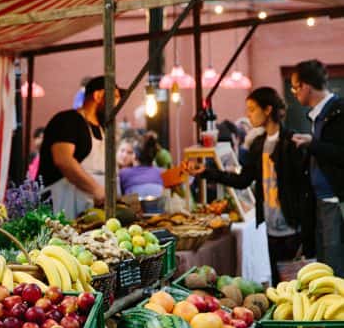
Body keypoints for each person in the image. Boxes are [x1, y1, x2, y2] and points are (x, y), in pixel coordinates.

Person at [188, 87, 311, 284]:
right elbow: (243, 180)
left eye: (252, 109)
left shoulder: (291, 141)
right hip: (269, 228)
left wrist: (305, 229)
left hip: (293, 229)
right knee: (279, 285)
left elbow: (304, 186)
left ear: (268, 110)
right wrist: (206, 172)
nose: (248, 114)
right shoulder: (257, 145)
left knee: (297, 284)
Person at [291, 60, 344, 274]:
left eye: (295, 87)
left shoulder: (339, 111)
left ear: (305, 86)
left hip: (335, 200)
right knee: (324, 263)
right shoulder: (317, 115)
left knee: (334, 265)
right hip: (319, 201)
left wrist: (312, 144)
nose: (294, 93)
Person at [38, 75, 116, 216]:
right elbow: (63, 160)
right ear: (98, 96)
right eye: (114, 96)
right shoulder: (68, 120)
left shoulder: (102, 129)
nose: (117, 102)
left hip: (91, 211)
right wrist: (97, 190)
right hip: (61, 209)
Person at [119, 132, 165, 197]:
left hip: (133, 206)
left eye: (130, 152)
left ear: (134, 156)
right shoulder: (163, 172)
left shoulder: (123, 174)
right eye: (122, 150)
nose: (124, 155)